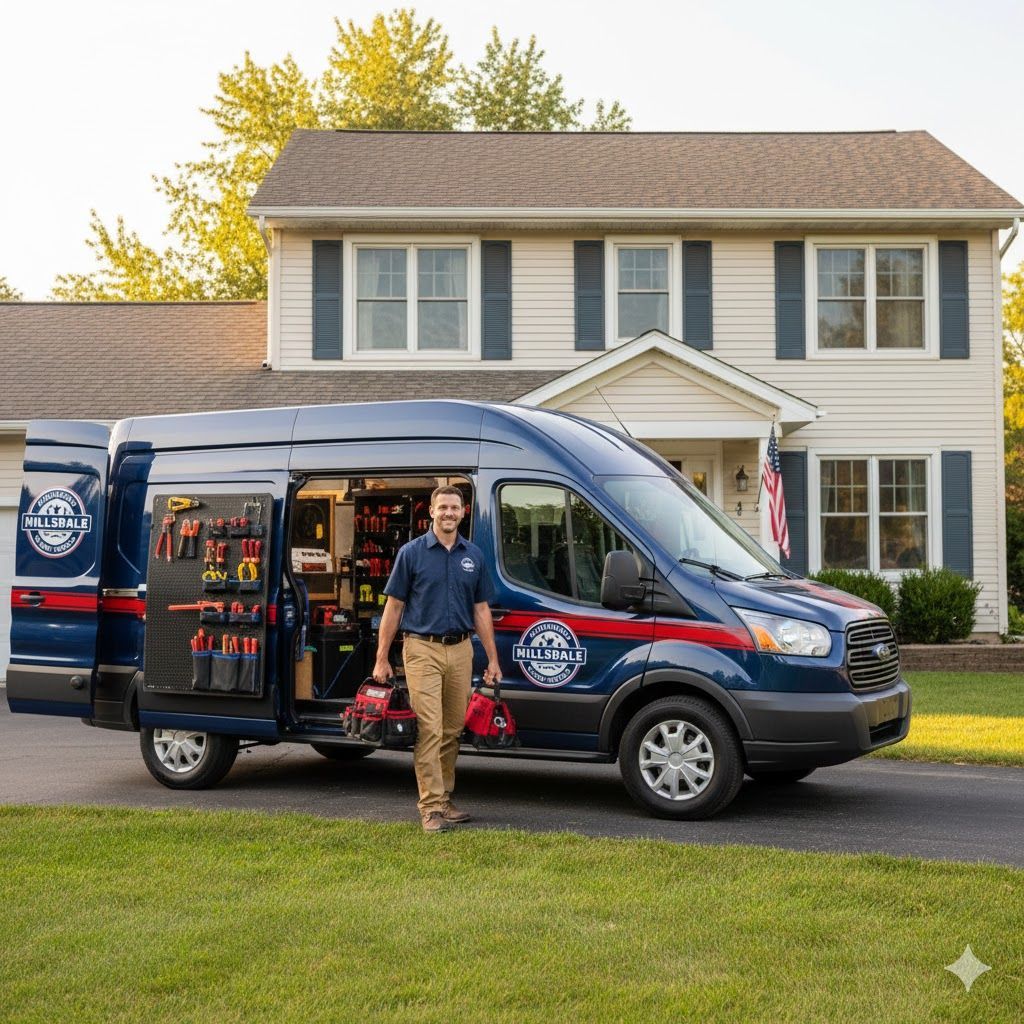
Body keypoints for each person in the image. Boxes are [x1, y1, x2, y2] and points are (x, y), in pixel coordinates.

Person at [373, 485, 502, 832]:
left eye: (454, 507)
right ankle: (430, 808)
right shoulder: (411, 554)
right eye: (442, 507)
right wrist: (381, 657)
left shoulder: (473, 555)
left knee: (452, 729)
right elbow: (394, 607)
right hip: (421, 648)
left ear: (464, 512)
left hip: (461, 649)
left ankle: (444, 800)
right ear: (430, 512)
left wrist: (492, 659)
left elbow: (481, 609)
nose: (448, 513)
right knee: (429, 728)